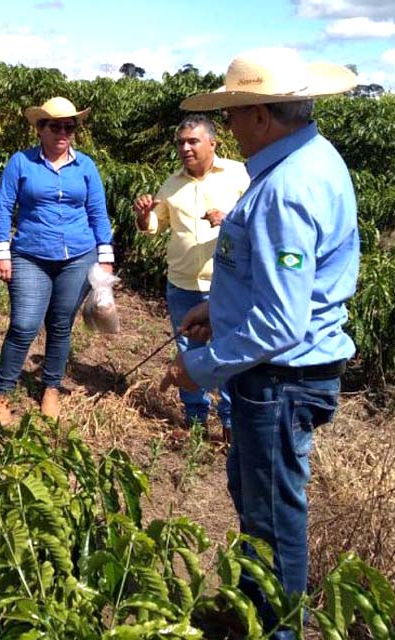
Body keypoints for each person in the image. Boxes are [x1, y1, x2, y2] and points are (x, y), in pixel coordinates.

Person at [160, 48, 359, 638]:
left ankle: (276, 628)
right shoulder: (308, 160)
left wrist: (203, 368)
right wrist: (216, 310)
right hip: (277, 376)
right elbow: (271, 287)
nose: (231, 128)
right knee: (255, 500)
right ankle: (249, 609)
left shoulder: (286, 189)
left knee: (273, 519)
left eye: (236, 114)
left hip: (280, 380)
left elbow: (279, 323)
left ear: (262, 118)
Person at [0, 97, 114, 424]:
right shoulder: (21, 163)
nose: (63, 132)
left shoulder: (85, 166)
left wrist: (106, 256)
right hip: (31, 255)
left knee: (61, 326)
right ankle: (3, 392)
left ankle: (51, 387)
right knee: (24, 325)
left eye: (69, 126)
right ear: (40, 128)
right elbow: (3, 208)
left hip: (77, 256)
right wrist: (2, 252)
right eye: (55, 126)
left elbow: (97, 212)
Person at [133, 114, 248, 438]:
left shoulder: (239, 175)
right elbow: (153, 228)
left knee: (230, 353)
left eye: (192, 141)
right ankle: (195, 418)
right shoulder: (172, 184)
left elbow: (261, 219)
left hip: (226, 285)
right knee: (190, 352)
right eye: (181, 142)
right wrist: (143, 216)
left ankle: (229, 422)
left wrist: (230, 221)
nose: (185, 148)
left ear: (213, 143)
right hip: (183, 284)